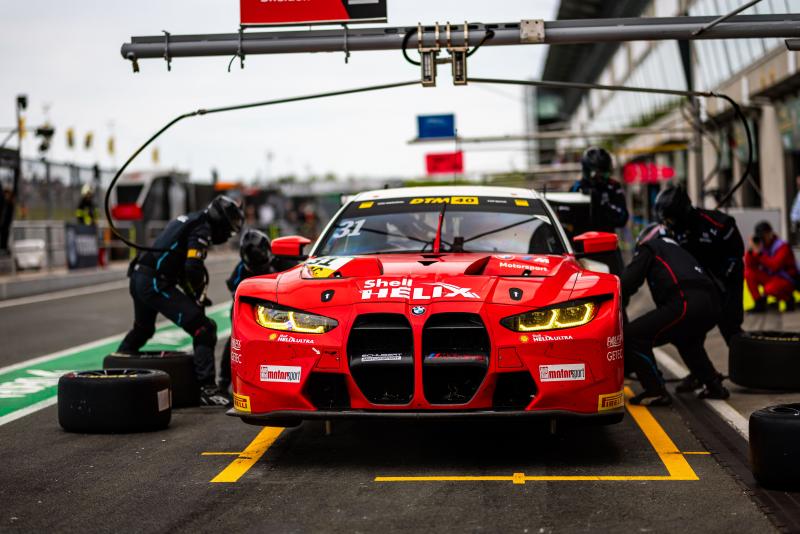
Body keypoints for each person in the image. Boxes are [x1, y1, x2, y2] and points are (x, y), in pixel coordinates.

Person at [117, 195, 244, 406]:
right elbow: (192, 267)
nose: (231, 230)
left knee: (143, 330)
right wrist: (197, 294)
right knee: (204, 328)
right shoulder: (202, 228)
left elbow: (180, 266)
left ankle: (117, 367)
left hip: (140, 276)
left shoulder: (190, 218)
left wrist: (195, 295)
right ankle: (207, 389)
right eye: (231, 224)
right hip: (154, 282)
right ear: (221, 219)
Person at [622, 223, 729, 405]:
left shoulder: (650, 247)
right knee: (685, 338)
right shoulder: (681, 250)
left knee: (633, 336)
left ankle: (655, 390)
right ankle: (713, 384)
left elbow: (628, 282)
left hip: (685, 302)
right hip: (713, 304)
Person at [653, 184, 745, 392]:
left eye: (671, 219)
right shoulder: (670, 234)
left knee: (731, 328)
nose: (668, 224)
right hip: (699, 290)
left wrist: (724, 284)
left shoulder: (720, 225)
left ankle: (750, 371)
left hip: (725, 284)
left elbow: (736, 256)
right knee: (686, 334)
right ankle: (701, 373)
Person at [218, 229, 281, 394]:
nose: (257, 256)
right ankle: (223, 381)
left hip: (275, 306)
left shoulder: (279, 261)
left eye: (261, 253)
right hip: (248, 307)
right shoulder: (240, 270)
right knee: (235, 340)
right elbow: (233, 289)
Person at [745, 220, 798, 312]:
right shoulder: (761, 246)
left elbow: (775, 266)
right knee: (748, 273)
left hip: (786, 279)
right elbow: (749, 265)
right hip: (771, 277)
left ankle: (788, 298)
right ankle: (759, 303)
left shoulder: (782, 246)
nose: (762, 239)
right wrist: (750, 251)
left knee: (769, 289)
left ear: (770, 233)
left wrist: (759, 254)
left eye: (763, 236)